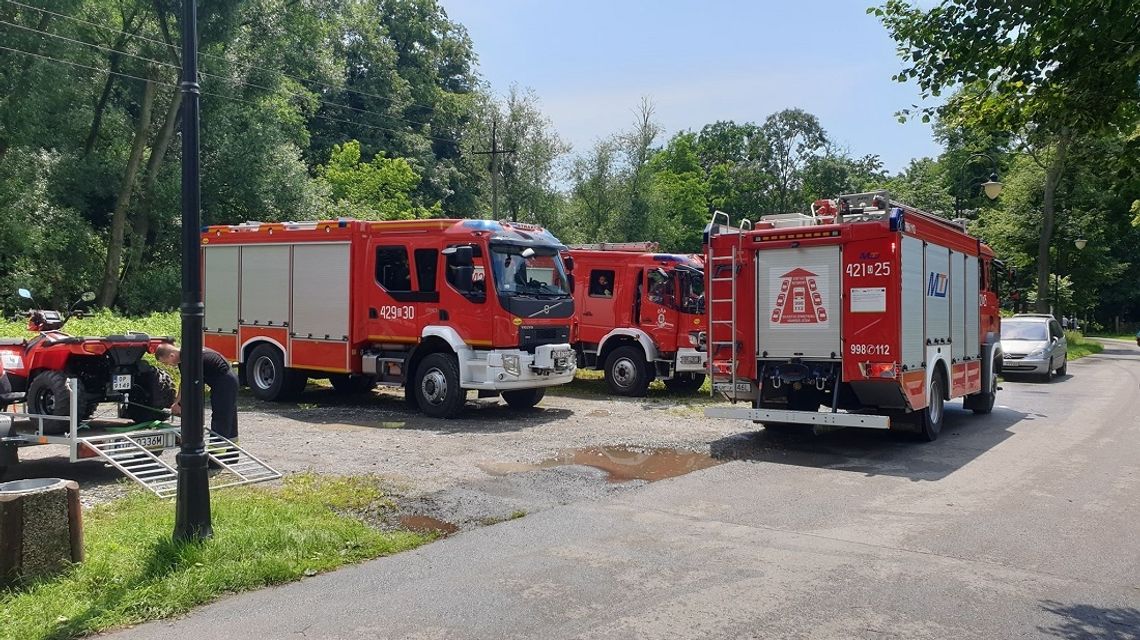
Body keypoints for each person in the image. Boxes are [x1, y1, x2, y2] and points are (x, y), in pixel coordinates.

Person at [155, 343, 239, 441]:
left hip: (225, 381)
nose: (168, 365)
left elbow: (194, 387)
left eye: (166, 362)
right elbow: (185, 381)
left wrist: (183, 406)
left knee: (221, 415)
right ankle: (232, 447)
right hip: (225, 379)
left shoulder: (190, 359)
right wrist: (177, 403)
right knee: (229, 414)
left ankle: (218, 450)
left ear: (171, 355)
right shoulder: (186, 355)